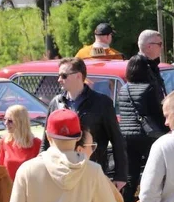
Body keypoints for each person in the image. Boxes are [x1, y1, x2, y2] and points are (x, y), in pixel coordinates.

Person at [44, 57, 127, 192]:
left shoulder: (101, 103)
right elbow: (46, 141)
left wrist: (121, 176)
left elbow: (117, 140)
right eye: (58, 75)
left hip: (92, 168)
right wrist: (42, 168)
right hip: (61, 171)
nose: (59, 79)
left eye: (64, 76)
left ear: (78, 76)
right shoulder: (56, 103)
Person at [117, 54, 168, 202]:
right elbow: (157, 113)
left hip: (125, 135)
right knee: (152, 172)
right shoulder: (150, 88)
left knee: (131, 174)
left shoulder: (123, 89)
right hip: (147, 135)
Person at [0, 103, 41, 181]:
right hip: (9, 190)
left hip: (30, 190)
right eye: (4, 119)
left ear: (21, 123)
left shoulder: (37, 144)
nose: (5, 123)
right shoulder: (4, 142)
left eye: (10, 121)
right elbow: (0, 170)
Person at [137, 30, 169, 99]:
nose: (162, 47)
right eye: (159, 44)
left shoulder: (153, 66)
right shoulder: (139, 68)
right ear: (149, 47)